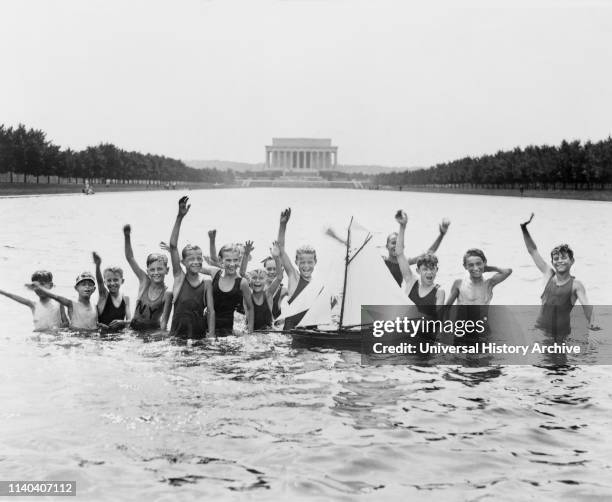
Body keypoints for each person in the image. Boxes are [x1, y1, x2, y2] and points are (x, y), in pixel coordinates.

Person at [520, 212, 595, 335]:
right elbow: (532, 251)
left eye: (564, 258)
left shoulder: (576, 285)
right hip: (539, 331)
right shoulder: (548, 274)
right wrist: (524, 229)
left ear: (572, 261)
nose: (559, 261)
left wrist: (592, 321)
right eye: (556, 258)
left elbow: (587, 306)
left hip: (560, 336)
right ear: (552, 262)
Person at [168, 196, 214, 339]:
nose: (196, 262)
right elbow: (173, 246)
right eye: (191, 259)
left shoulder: (206, 283)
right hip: (177, 337)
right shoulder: (179, 277)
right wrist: (180, 217)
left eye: (199, 258)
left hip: (199, 336)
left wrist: (211, 336)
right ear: (183, 262)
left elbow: (211, 311)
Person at [394, 211, 446, 317]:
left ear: (437, 270)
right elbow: (399, 254)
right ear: (418, 271)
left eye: (432, 269)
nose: (429, 272)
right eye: (425, 269)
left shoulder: (439, 292)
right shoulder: (411, 281)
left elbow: (437, 320)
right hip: (405, 331)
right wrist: (402, 227)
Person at [124, 224, 172, 331]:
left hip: (151, 331)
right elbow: (130, 258)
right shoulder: (144, 281)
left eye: (160, 269)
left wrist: (173, 251)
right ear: (148, 272)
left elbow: (164, 323)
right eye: (152, 270)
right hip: (133, 328)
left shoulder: (167, 294)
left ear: (167, 270)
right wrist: (127, 236)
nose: (156, 273)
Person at [277, 208, 317, 329]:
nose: (306, 266)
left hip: (311, 330)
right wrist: (283, 225)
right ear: (296, 262)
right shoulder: (294, 276)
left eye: (310, 262)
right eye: (302, 262)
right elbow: (281, 249)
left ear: (315, 262)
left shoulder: (318, 285)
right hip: (291, 331)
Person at [28, 272, 98, 330]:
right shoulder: (71, 304)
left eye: (90, 285)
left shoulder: (95, 306)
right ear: (76, 288)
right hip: (77, 336)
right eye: (83, 284)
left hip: (91, 336)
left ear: (94, 289)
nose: (87, 287)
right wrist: (40, 288)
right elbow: (56, 297)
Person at [0, 270, 67, 331]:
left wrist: (57, 328)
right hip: (39, 340)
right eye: (35, 286)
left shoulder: (58, 303)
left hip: (54, 338)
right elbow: (10, 295)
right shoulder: (33, 305)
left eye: (42, 284)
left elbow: (66, 323)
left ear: (51, 285)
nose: (38, 288)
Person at [446, 249, 512, 306]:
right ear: (465, 266)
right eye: (471, 265)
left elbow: (507, 272)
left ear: (484, 262)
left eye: (478, 264)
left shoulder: (489, 284)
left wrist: (488, 268)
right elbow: (447, 308)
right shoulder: (459, 283)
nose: (475, 268)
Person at [248, 242, 283, 330]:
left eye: (274, 269)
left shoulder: (269, 293)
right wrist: (245, 255)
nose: (271, 272)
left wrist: (277, 258)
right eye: (269, 269)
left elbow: (279, 277)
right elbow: (241, 274)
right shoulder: (250, 291)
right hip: (251, 330)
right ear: (264, 271)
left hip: (267, 329)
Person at [93, 252, 131, 330]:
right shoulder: (103, 296)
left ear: (122, 281)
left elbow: (129, 321)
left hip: (119, 338)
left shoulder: (126, 299)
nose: (112, 283)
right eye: (109, 280)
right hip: (103, 338)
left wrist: (122, 322)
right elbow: (99, 282)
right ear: (105, 282)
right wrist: (98, 265)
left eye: (116, 280)